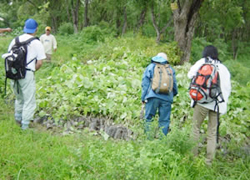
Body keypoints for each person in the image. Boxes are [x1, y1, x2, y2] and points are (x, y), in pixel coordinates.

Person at [187, 45, 231, 165]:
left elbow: (190, 75)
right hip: (218, 104)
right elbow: (227, 88)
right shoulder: (223, 68)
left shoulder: (202, 62)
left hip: (202, 101)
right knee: (212, 132)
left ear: (205, 53)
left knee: (195, 128)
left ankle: (193, 157)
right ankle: (209, 161)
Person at [7, 18, 46, 130]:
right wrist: (32, 71)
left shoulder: (15, 40)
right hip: (27, 73)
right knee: (29, 100)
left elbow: (9, 56)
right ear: (36, 29)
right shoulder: (36, 42)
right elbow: (39, 62)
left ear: (25, 28)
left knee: (19, 98)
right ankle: (25, 126)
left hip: (13, 73)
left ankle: (17, 119)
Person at [141, 52, 178, 139]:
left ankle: (149, 139)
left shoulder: (151, 67)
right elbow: (174, 85)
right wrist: (172, 95)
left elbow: (145, 84)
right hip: (167, 98)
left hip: (152, 96)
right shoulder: (170, 69)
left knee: (149, 118)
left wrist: (143, 97)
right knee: (164, 120)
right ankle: (162, 141)